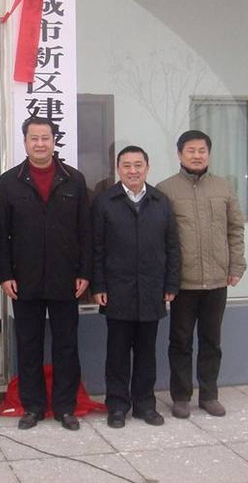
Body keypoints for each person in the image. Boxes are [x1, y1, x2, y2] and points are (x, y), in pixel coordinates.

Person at [0, 117, 92, 431]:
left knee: (66, 345)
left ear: (54, 140)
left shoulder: (74, 180)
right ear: (25, 142)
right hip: (25, 278)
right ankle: (33, 407)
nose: (39, 144)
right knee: (28, 344)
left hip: (66, 277)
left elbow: (86, 232)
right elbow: (0, 234)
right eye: (33, 138)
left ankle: (65, 407)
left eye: (45, 138)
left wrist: (85, 272)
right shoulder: (10, 181)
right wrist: (4, 274)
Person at [157, 130, 246, 418]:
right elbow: (159, 238)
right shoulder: (165, 190)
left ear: (208, 154)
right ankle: (181, 396)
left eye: (202, 151)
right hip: (183, 282)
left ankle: (209, 395)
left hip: (217, 280)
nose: (197, 156)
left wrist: (236, 265)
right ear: (179, 154)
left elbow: (235, 229)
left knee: (211, 342)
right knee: (180, 342)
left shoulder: (224, 187)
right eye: (191, 150)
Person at [91, 146, 179, 428]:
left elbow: (172, 246)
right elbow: (96, 248)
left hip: (152, 289)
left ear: (147, 168)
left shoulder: (160, 201)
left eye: (138, 165)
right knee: (117, 353)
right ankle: (117, 406)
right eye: (126, 165)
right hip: (117, 290)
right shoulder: (105, 202)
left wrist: (171, 283)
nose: (132, 170)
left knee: (146, 353)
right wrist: (98, 285)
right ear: (118, 169)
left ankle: (145, 405)